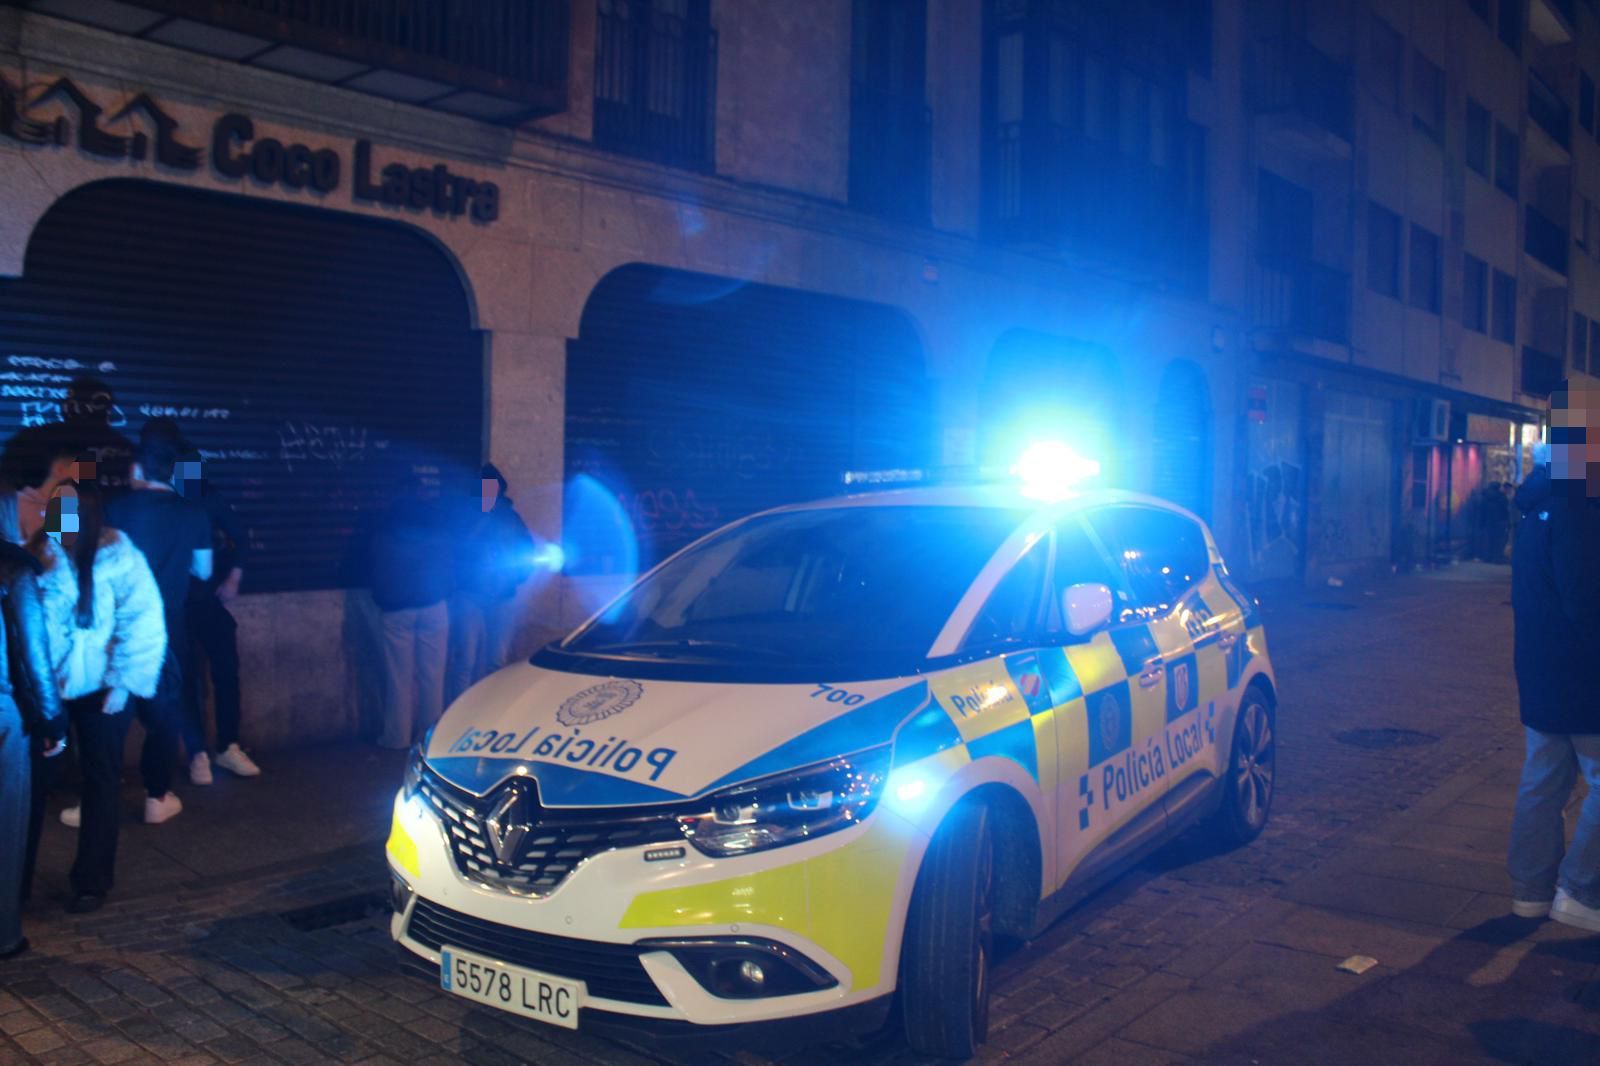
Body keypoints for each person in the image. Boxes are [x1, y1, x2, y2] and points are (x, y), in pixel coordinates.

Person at [26, 480, 164, 915]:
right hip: (47, 689)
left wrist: (124, 683)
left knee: (101, 781)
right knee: (32, 783)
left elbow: (143, 622)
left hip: (103, 689)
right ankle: (17, 874)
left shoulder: (119, 556)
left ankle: (92, 881)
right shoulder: (37, 556)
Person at [1508, 383, 1600, 933]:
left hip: (1540, 669)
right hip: (1583, 674)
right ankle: (1579, 889)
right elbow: (1585, 597)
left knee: (1543, 780)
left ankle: (1531, 893)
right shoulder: (1580, 502)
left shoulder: (1539, 497)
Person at [102, 429, 211, 825]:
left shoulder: (114, 508)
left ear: (135, 467)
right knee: (164, 712)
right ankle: (156, 796)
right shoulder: (193, 512)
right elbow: (204, 570)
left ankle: (97, 796)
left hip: (116, 628)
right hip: (169, 627)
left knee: (111, 713)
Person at [0, 497, 67, 955]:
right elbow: (32, 653)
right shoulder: (12, 567)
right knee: (6, 828)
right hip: (4, 715)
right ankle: (4, 935)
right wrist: (51, 720)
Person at [179, 455, 259, 781]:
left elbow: (240, 537)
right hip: (176, 603)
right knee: (186, 681)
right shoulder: (69, 497)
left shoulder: (206, 500)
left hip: (206, 600)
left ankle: (227, 745)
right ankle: (197, 752)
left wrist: (233, 579)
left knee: (225, 672)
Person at [370, 471, 451, 749]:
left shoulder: (383, 523)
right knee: (433, 677)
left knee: (399, 679)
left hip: (397, 609)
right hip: (433, 605)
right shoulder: (435, 520)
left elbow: (375, 566)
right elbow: (448, 561)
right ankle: (430, 738)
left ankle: (396, 738)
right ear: (419, 492)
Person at [446, 463, 533, 704]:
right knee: (465, 660)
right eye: (484, 490)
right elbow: (456, 550)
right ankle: (459, 712)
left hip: (503, 594)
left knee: (496, 661)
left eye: (492, 489)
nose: (489, 494)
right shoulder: (466, 516)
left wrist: (517, 577)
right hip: (471, 594)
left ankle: (491, 709)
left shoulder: (510, 517)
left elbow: (527, 549)